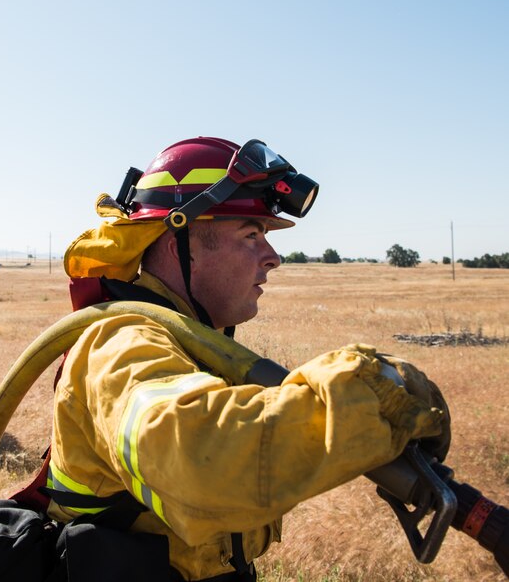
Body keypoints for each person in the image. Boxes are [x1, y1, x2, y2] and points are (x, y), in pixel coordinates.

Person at [45, 137, 448, 580]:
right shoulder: (120, 342)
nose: (273, 258)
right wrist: (374, 390)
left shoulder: (192, 342)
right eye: (251, 234)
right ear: (183, 240)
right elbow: (200, 459)